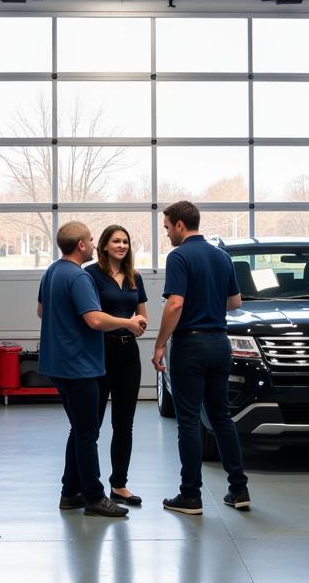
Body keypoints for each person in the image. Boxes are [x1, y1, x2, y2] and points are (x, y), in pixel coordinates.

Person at [38, 221, 147, 518]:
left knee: (80, 430)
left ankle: (69, 492)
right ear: (82, 245)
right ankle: (95, 497)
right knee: (88, 433)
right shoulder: (79, 277)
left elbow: (41, 311)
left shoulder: (51, 272)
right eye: (90, 239)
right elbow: (95, 321)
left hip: (58, 364)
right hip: (80, 366)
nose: (93, 242)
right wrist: (126, 322)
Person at [152, 201, 250, 515]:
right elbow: (235, 302)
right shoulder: (222, 256)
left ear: (180, 225)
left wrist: (159, 344)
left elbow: (175, 304)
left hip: (190, 346)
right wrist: (209, 304)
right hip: (220, 343)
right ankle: (238, 489)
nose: (166, 234)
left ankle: (190, 495)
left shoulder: (179, 256)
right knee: (222, 418)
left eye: (167, 227)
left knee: (189, 422)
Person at [85, 225, 148, 507]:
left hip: (128, 354)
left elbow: (142, 316)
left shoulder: (135, 276)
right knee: (92, 424)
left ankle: (119, 485)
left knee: (124, 424)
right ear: (104, 245)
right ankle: (89, 485)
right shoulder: (91, 274)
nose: (121, 246)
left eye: (125, 241)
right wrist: (127, 322)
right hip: (100, 352)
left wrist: (139, 325)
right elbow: (93, 316)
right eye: (116, 241)